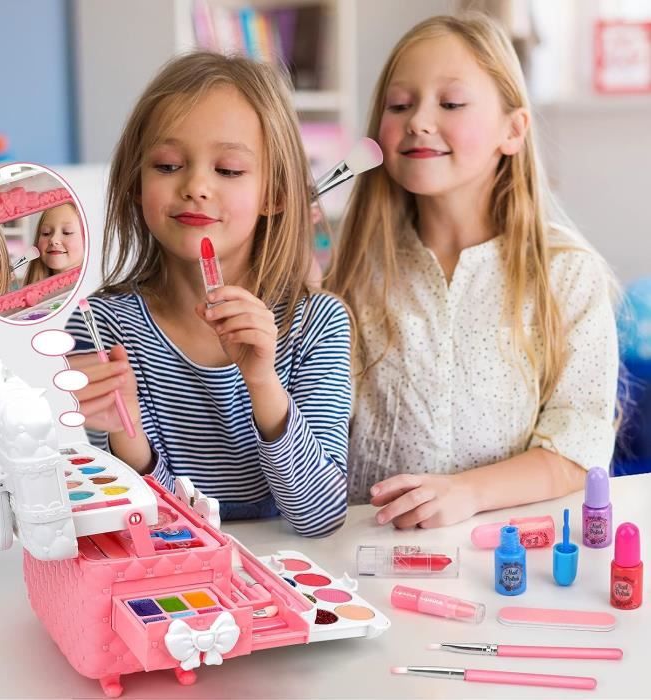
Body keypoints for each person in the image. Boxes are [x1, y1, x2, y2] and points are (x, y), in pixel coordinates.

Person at [327, 13, 619, 529]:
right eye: (400, 105)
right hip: (364, 554)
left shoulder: (568, 277)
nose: (418, 119)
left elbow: (579, 446)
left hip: (502, 557)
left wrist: (467, 493)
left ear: (513, 129)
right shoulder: (351, 275)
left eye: (452, 103)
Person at [65, 52, 350, 537]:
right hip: (179, 571)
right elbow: (146, 526)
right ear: (136, 182)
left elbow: (320, 516)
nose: (196, 186)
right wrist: (125, 430)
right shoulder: (101, 327)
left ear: (276, 194)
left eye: (230, 170)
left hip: (295, 573)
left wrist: (262, 378)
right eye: (169, 164)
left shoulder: (318, 323)